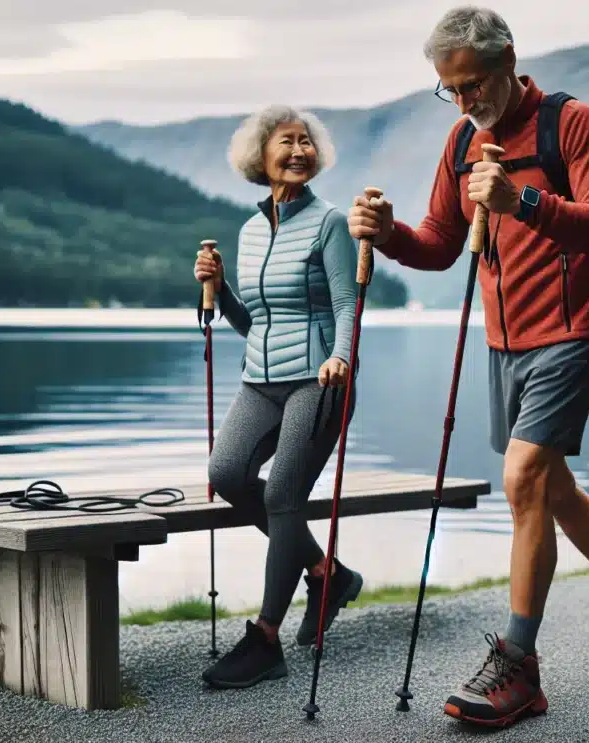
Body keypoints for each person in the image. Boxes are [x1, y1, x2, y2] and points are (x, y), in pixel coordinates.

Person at [347, 6, 589, 728]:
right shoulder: (463, 139)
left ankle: (519, 665)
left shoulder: (570, 122)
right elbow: (438, 241)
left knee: (522, 476)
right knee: (550, 485)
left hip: (572, 330)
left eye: (472, 85)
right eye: (450, 91)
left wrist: (522, 199)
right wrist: (389, 232)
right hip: (504, 341)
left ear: (507, 62)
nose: (465, 103)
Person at [193, 104, 365, 690]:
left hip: (318, 380)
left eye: (306, 143)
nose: (299, 152)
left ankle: (266, 639)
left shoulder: (329, 223)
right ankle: (327, 572)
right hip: (259, 380)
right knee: (228, 473)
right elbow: (252, 321)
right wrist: (218, 288)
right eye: (286, 143)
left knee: (285, 497)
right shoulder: (247, 230)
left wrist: (341, 356)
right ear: (260, 157)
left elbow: (347, 303)